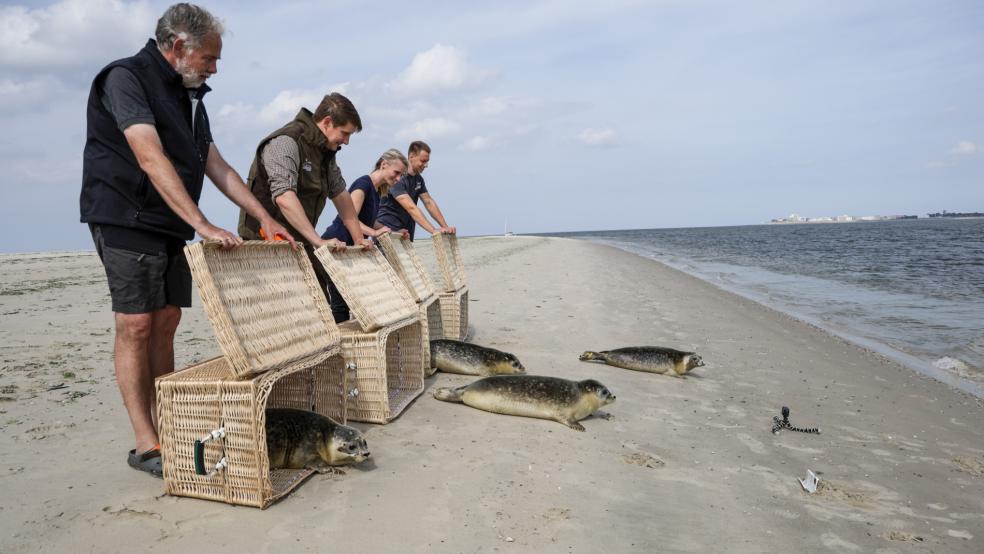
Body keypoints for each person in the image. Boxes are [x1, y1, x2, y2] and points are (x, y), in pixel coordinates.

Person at [79, 3, 295, 478]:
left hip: (168, 221)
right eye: (210, 59)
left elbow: (216, 165)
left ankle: (169, 422)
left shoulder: (191, 96)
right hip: (125, 215)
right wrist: (204, 224)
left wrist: (264, 218)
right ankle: (146, 442)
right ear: (179, 47)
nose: (214, 68)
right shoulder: (126, 78)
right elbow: (150, 157)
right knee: (135, 323)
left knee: (168, 318)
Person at [238, 93, 373, 292]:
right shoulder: (286, 141)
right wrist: (318, 241)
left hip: (299, 241)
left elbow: (341, 194)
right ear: (327, 122)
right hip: (265, 244)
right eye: (345, 133)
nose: (346, 141)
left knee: (320, 294)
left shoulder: (325, 151)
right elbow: (284, 196)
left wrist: (358, 237)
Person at [320, 149, 410, 322]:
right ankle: (342, 345)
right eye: (397, 173)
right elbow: (350, 219)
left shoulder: (376, 191)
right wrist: (375, 233)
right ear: (384, 165)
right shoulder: (363, 184)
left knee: (353, 299)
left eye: (401, 175)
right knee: (340, 303)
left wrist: (393, 231)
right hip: (335, 246)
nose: (398, 178)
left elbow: (369, 221)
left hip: (349, 250)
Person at [374, 141, 456, 241]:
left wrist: (445, 227)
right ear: (411, 156)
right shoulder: (397, 178)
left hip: (405, 233)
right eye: (423, 161)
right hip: (388, 232)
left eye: (427, 161)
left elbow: (428, 202)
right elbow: (411, 207)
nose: (426, 165)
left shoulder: (418, 179)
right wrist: (433, 230)